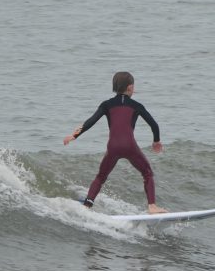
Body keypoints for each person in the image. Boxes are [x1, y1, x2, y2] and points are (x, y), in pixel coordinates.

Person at [63, 72, 167, 214]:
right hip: (130, 146)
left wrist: (74, 136)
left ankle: (87, 205)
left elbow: (91, 121)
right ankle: (152, 206)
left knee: (101, 176)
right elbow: (154, 125)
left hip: (113, 147)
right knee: (147, 173)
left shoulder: (106, 105)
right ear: (130, 87)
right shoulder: (137, 106)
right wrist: (156, 141)